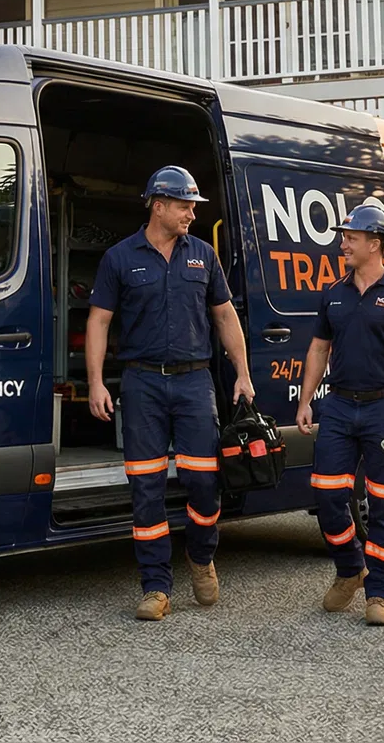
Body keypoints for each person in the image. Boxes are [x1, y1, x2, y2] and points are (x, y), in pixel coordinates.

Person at [86, 165, 256, 621]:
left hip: (194, 382)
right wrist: (96, 381)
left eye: (192, 207)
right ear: (158, 206)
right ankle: (156, 587)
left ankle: (201, 555)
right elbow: (99, 321)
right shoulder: (120, 258)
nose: (192, 215)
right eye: (184, 206)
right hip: (141, 383)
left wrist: (242, 373)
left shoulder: (203, 254)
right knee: (146, 487)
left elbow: (224, 316)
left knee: (204, 481)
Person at [294, 202, 384, 627]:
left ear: (375, 244)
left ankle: (380, 593)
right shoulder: (334, 294)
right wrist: (305, 401)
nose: (343, 244)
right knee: (326, 494)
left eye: (351, 238)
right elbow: (318, 348)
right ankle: (349, 569)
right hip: (338, 406)